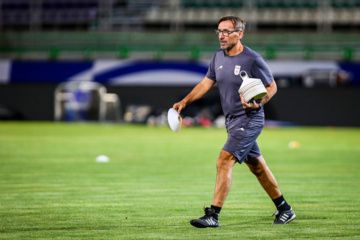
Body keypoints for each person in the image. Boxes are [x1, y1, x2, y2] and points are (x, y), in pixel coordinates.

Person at [172, 16, 296, 228]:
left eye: (227, 31)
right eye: (219, 31)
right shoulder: (218, 57)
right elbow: (205, 84)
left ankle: (213, 214)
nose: (222, 35)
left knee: (224, 160)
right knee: (257, 166)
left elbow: (272, 86)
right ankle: (285, 209)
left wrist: (259, 103)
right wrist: (185, 101)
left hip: (249, 119)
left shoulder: (252, 59)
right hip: (232, 121)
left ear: (240, 34)